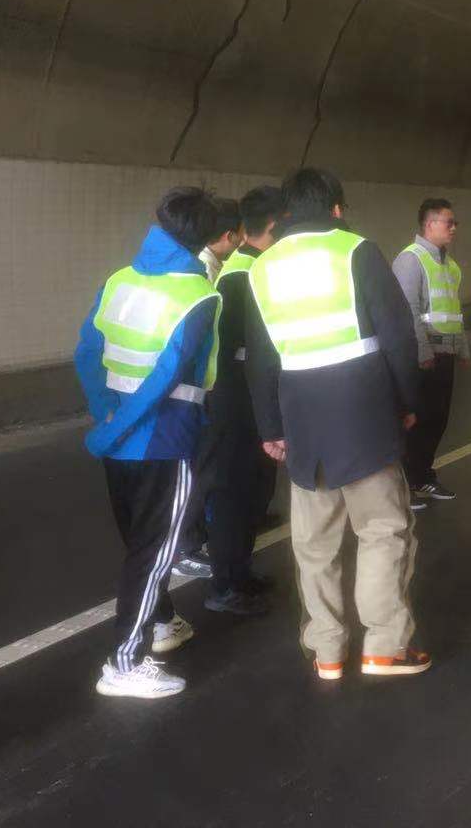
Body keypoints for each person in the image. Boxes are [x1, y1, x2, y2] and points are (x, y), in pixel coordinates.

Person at [245, 168, 428, 680]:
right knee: (382, 530)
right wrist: (408, 400)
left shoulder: (263, 267)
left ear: (285, 213)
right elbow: (398, 335)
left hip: (302, 418)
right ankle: (384, 646)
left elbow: (260, 358)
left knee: (314, 543)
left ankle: (326, 649)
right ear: (338, 209)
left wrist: (270, 426)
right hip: (362, 413)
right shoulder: (356, 250)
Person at [74, 187, 222, 700]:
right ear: (206, 237)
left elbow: (86, 352)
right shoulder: (199, 295)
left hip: (119, 435)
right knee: (154, 552)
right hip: (166, 436)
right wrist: (118, 426)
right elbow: (167, 375)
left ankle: (161, 621)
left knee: (140, 546)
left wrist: (107, 418)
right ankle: (125, 663)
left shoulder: (119, 279)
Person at [197, 185, 284, 617]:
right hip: (236, 402)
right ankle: (224, 584)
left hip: (252, 399)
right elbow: (236, 349)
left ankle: (241, 573)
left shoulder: (255, 267)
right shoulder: (240, 274)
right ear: (275, 226)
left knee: (254, 491)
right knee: (233, 492)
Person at [175, 197, 245, 580]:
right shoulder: (201, 270)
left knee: (206, 465)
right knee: (198, 467)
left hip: (204, 386)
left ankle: (197, 535)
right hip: (197, 390)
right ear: (228, 235)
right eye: (240, 234)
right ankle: (186, 546)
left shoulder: (211, 265)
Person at [392, 198, 469, 510]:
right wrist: (422, 351)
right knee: (415, 423)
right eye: (449, 222)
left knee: (437, 420)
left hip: (445, 354)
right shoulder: (410, 260)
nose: (454, 228)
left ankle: (422, 476)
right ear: (429, 224)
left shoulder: (450, 265)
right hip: (424, 356)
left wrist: (462, 348)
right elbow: (407, 310)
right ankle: (403, 487)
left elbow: (454, 309)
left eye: (454, 223)